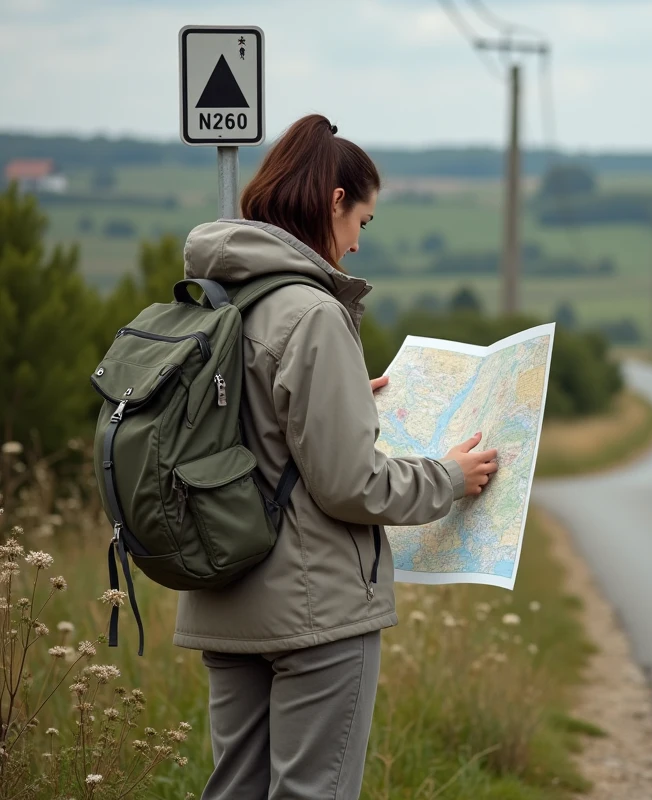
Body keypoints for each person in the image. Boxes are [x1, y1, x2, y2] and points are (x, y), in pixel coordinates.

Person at [172, 113, 499, 799]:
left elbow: (257, 429)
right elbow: (350, 485)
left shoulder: (221, 298)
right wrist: (449, 477)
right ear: (332, 202)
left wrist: (351, 398)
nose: (355, 246)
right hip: (315, 608)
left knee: (234, 789)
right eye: (362, 223)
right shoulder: (313, 313)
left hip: (226, 599)